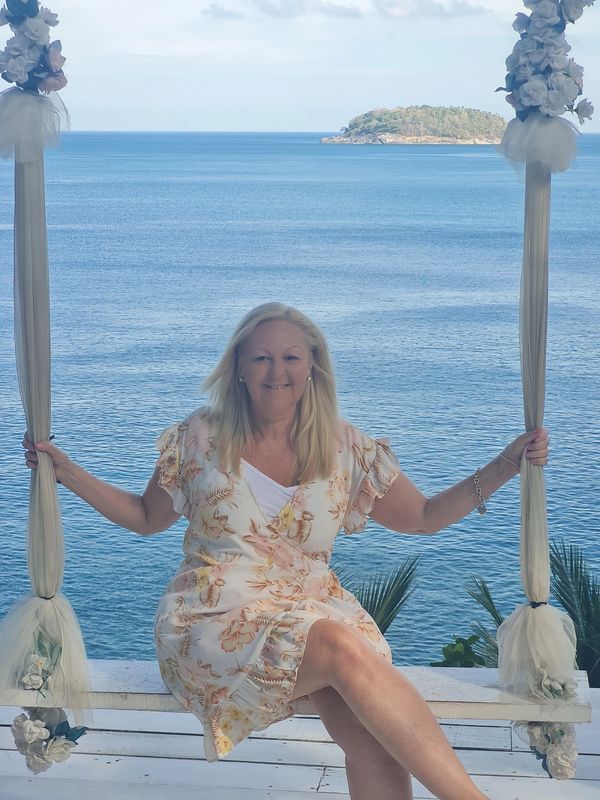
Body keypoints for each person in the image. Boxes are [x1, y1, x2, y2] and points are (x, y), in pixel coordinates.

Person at [23, 302, 549, 800]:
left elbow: (425, 517)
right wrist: (68, 473)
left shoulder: (346, 448)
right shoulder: (200, 438)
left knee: (370, 738)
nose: (278, 371)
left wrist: (506, 465)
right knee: (341, 649)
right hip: (213, 619)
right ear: (240, 370)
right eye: (262, 357)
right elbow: (144, 518)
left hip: (311, 611)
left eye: (291, 357)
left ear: (313, 367)